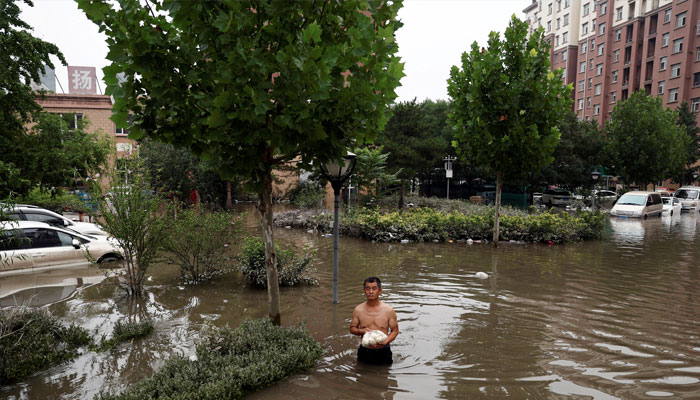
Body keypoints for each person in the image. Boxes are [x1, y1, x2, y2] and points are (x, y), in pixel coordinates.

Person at [350, 276, 399, 365]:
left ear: (380, 290)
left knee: (384, 376)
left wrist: (386, 341)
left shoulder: (388, 310)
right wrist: (362, 331)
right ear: (364, 290)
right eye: (368, 289)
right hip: (365, 350)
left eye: (374, 288)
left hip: (384, 350)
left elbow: (395, 330)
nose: (371, 292)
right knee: (361, 375)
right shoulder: (358, 310)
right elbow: (352, 328)